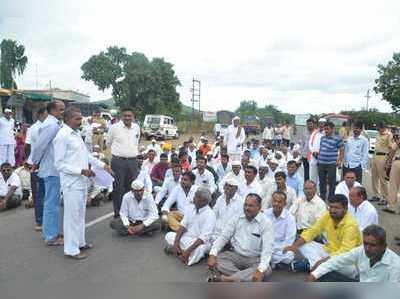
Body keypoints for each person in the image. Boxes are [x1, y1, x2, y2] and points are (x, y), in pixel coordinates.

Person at [54, 107, 112, 259]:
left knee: (80, 215)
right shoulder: (62, 136)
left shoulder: (77, 134)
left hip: (82, 182)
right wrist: (80, 170)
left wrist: (103, 165)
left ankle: (80, 242)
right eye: (77, 119)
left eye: (80, 118)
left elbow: (86, 155)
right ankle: (71, 250)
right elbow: (59, 164)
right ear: (67, 119)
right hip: (71, 183)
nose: (80, 121)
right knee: (71, 217)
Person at [283, 194, 362, 275]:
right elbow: (313, 231)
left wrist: (323, 262)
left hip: (348, 261)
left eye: (336, 208)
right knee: (302, 243)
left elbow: (345, 252)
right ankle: (317, 267)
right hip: (329, 251)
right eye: (331, 207)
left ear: (345, 209)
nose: (332, 210)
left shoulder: (351, 225)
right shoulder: (328, 215)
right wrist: (294, 246)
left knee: (349, 269)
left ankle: (313, 266)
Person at [207, 193, 273, 282]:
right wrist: (212, 254)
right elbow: (223, 237)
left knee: (266, 269)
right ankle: (243, 278)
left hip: (254, 259)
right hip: (236, 255)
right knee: (217, 259)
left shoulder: (266, 223)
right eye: (245, 205)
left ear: (259, 207)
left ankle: (228, 279)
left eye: (251, 206)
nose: (247, 208)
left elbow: (267, 250)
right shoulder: (237, 218)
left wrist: (260, 270)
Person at [307, 225, 400, 282]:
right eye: (365, 243)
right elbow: (336, 261)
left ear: (384, 246)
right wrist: (314, 275)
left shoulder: (395, 264)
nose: (367, 248)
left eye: (373, 245)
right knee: (322, 274)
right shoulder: (361, 251)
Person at [32, 100, 65, 246]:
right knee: (51, 203)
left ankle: (52, 232)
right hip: (51, 169)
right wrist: (35, 162)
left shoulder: (54, 123)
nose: (63, 112)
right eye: (61, 110)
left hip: (53, 168)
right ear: (53, 110)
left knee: (52, 202)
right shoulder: (51, 125)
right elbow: (40, 146)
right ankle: (51, 236)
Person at [164, 188, 216, 266]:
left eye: (197, 197)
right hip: (187, 239)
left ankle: (182, 253)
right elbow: (183, 226)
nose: (193, 198)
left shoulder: (210, 215)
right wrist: (176, 242)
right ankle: (182, 252)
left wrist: (188, 251)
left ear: (204, 201)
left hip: (200, 243)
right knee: (169, 235)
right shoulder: (191, 208)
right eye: (195, 195)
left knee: (200, 249)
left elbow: (203, 238)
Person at [106, 107, 140, 218]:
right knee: (118, 189)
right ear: (121, 116)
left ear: (133, 117)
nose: (127, 118)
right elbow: (108, 143)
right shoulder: (114, 128)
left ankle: (130, 213)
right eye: (125, 115)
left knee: (132, 188)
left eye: (129, 116)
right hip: (118, 162)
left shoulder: (136, 128)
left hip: (133, 162)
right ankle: (118, 214)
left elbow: (136, 143)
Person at [25, 107, 47, 231]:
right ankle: (41, 221)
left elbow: (27, 146)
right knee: (41, 195)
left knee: (39, 194)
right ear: (39, 115)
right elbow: (27, 146)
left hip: (36, 165)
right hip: (40, 165)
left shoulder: (32, 128)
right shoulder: (38, 128)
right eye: (46, 114)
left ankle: (40, 221)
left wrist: (28, 159)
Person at [264, 191, 297, 268]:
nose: (276, 204)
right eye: (274, 201)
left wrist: (273, 249)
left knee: (289, 255)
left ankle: (268, 261)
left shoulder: (290, 218)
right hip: (266, 245)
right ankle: (274, 263)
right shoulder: (265, 214)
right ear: (271, 201)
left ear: (284, 204)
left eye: (279, 202)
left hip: (280, 247)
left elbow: (289, 241)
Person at [317, 121, 344, 201]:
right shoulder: (323, 138)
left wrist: (339, 161)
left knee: (332, 182)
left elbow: (342, 150)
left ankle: (331, 197)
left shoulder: (337, 138)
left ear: (332, 129)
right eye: (325, 129)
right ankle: (322, 196)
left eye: (327, 129)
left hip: (331, 164)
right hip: (321, 163)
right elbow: (321, 149)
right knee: (322, 181)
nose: (326, 131)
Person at [370, 123, 392, 204]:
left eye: (380, 128)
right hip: (375, 156)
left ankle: (385, 198)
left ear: (384, 127)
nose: (379, 129)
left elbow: (390, 148)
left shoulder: (389, 135)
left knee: (383, 179)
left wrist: (388, 161)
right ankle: (376, 195)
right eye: (378, 128)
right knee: (374, 177)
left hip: (383, 157)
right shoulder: (378, 135)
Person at [384, 134, 400, 213]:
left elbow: (393, 149)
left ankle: (391, 207)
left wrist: (389, 162)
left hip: (398, 162)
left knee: (393, 185)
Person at [308, 118, 326, 188]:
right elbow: (310, 144)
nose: (321, 125)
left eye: (323, 123)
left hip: (323, 158)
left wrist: (319, 153)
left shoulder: (327, 133)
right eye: (320, 123)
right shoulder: (315, 132)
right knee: (312, 177)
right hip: (314, 157)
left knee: (322, 177)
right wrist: (313, 152)